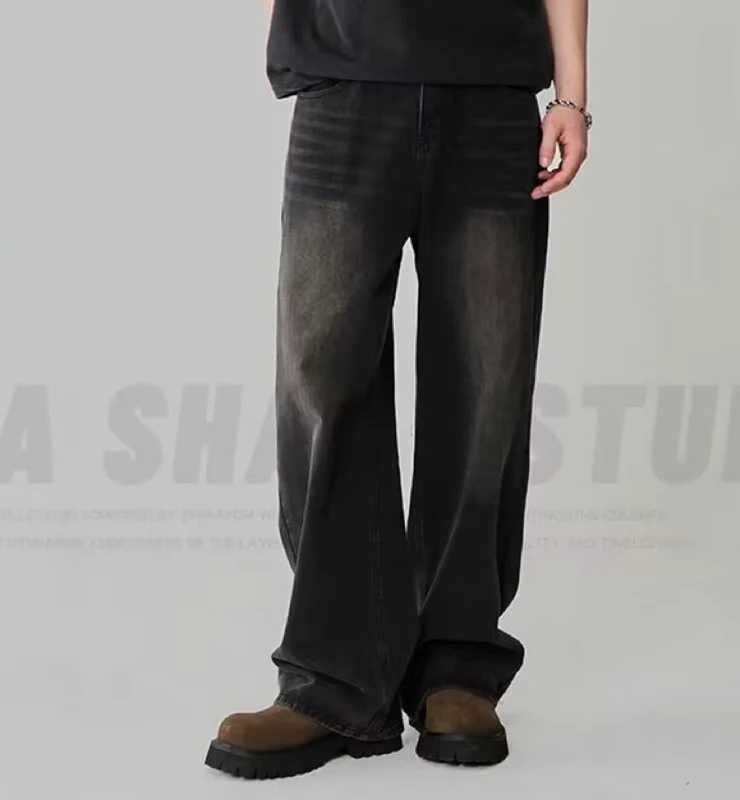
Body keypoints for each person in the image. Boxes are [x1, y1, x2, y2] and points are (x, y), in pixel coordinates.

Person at [205, 0, 591, 780]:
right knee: (322, 379)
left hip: (491, 94)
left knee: (486, 385)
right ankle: (335, 677)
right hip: (343, 83)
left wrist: (572, 97)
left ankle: (457, 667)